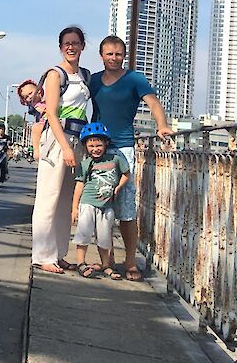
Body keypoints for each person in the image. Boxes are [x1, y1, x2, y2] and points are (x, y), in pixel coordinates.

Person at [89, 36, 174, 282]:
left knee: (126, 206)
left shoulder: (134, 79)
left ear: (123, 56)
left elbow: (153, 103)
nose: (113, 58)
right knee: (100, 205)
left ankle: (130, 260)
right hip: (98, 147)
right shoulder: (93, 80)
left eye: (118, 54)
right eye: (109, 54)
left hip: (124, 147)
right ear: (101, 55)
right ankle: (106, 260)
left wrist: (162, 126)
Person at [31, 26, 92, 275]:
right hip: (58, 140)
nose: (71, 47)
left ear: (82, 46)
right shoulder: (55, 75)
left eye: (75, 43)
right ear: (60, 47)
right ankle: (42, 255)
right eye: (66, 43)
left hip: (78, 140)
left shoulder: (85, 75)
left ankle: (58, 253)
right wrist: (65, 147)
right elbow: (52, 115)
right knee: (49, 197)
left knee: (66, 200)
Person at [70, 123, 130, 279]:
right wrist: (74, 208)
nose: (95, 149)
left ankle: (106, 265)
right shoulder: (86, 164)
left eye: (98, 145)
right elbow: (79, 186)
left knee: (104, 238)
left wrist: (118, 187)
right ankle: (80, 263)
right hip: (88, 203)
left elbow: (126, 174)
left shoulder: (115, 159)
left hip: (107, 206)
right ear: (86, 146)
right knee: (83, 234)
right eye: (91, 146)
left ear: (106, 144)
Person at [17, 79, 46, 161]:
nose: (29, 97)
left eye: (30, 93)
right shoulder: (36, 105)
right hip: (44, 122)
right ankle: (36, 152)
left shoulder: (47, 96)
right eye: (26, 97)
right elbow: (45, 111)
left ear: (39, 90)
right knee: (36, 128)